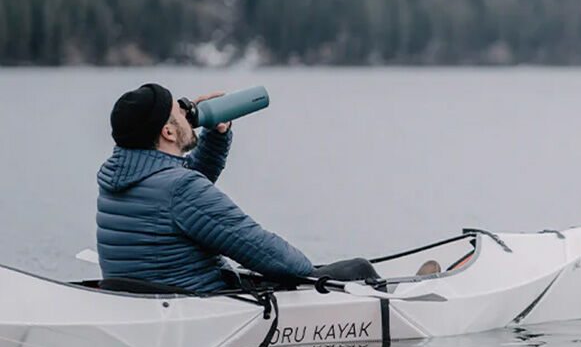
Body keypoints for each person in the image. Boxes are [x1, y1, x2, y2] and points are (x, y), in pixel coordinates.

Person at [97, 82, 377, 294]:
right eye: (179, 111)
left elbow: (181, 200)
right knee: (359, 269)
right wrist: (311, 272)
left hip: (149, 295)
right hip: (199, 301)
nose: (188, 111)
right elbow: (270, 256)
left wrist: (215, 136)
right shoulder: (181, 189)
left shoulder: (119, 179)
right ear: (167, 132)